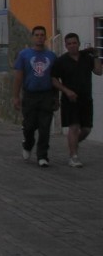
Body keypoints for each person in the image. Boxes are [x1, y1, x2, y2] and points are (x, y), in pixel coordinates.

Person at [51, 33, 102, 168]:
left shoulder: (87, 58)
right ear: (66, 45)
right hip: (70, 100)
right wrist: (66, 91)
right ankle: (73, 156)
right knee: (74, 127)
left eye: (74, 43)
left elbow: (99, 71)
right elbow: (54, 79)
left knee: (86, 129)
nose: (72, 46)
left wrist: (96, 55)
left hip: (86, 99)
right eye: (69, 44)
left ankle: (73, 144)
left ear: (79, 44)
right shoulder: (61, 61)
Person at [13, 25, 58, 167]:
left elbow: (55, 78)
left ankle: (42, 156)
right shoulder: (24, 55)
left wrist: (56, 97)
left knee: (45, 127)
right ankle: (28, 144)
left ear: (45, 37)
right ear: (33, 37)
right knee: (29, 126)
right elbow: (19, 77)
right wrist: (16, 96)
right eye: (37, 35)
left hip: (46, 95)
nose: (39, 37)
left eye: (42, 35)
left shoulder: (51, 56)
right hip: (30, 95)